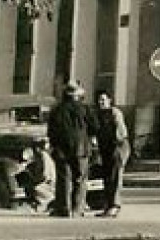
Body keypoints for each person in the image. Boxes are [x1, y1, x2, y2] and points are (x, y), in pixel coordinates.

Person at [46, 82, 96, 217]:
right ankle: (78, 209)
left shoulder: (57, 110)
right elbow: (94, 127)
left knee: (64, 179)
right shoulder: (85, 109)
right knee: (80, 179)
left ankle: (64, 209)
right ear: (78, 94)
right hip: (82, 149)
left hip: (62, 149)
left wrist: (53, 146)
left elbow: (51, 131)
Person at [92, 89, 130, 217]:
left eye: (103, 100)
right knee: (107, 178)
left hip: (117, 147)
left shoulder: (115, 113)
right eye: (99, 100)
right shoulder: (98, 114)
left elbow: (121, 132)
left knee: (115, 177)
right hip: (106, 149)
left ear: (109, 100)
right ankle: (107, 205)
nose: (101, 102)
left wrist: (116, 143)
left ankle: (115, 205)